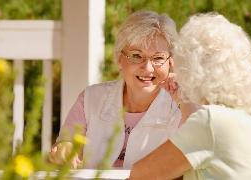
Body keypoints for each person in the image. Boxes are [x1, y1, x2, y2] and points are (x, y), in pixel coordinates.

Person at [129, 13, 251, 179]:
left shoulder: (210, 121)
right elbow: (201, 148)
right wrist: (185, 98)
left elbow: (141, 175)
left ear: (189, 69)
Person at [49, 10, 181, 169]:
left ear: (171, 62)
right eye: (136, 56)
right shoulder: (91, 98)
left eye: (158, 58)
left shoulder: (181, 107)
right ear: (119, 59)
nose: (147, 68)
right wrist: (64, 149)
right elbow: (67, 142)